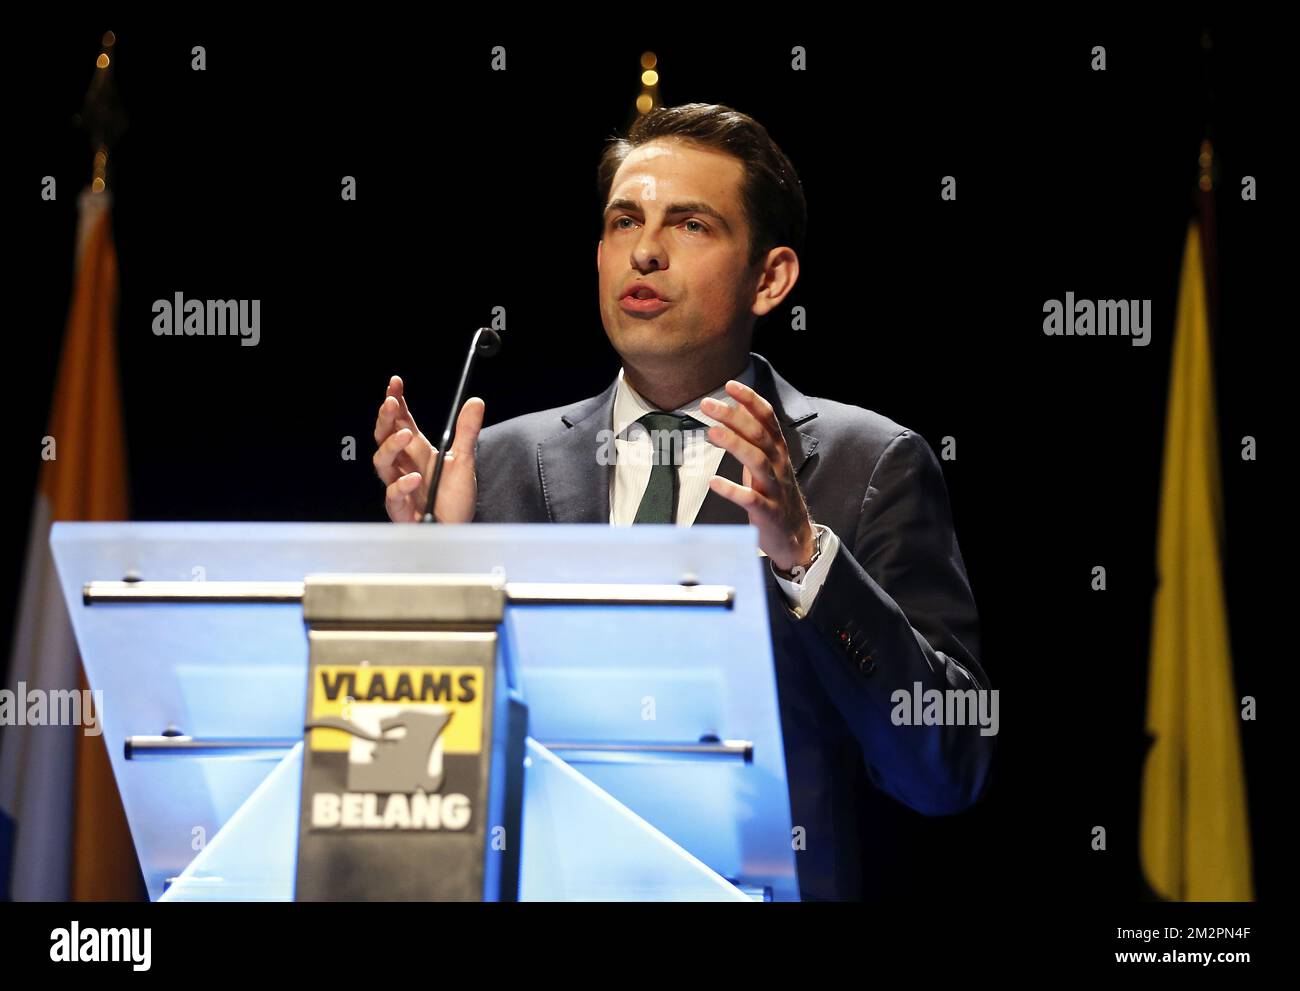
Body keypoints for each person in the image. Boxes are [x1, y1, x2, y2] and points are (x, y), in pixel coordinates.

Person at [372, 103, 994, 900]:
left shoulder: (867, 465)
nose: (645, 251)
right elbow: (411, 774)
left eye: (691, 225)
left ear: (770, 278)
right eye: (623, 220)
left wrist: (806, 556)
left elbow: (947, 767)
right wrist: (432, 572)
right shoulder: (492, 466)